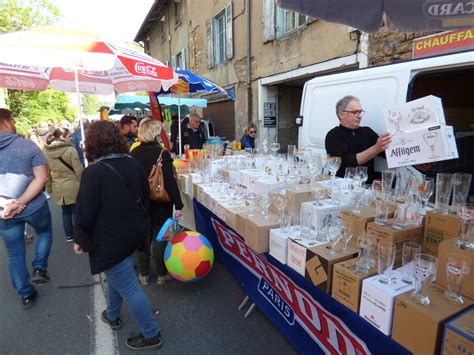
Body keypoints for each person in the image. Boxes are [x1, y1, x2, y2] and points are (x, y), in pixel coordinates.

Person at [73, 120, 163, 351]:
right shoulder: (132, 164)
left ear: (92, 143)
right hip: (134, 233)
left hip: (110, 239)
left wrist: (80, 239)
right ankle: (112, 314)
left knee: (129, 285)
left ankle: (151, 334)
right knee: (119, 273)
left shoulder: (93, 172)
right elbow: (144, 196)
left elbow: (85, 212)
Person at [0, 108, 53, 309]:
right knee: (45, 231)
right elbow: (42, 177)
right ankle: (39, 267)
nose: (14, 123)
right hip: (33, 206)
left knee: (14, 252)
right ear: (6, 122)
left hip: (4, 212)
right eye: (12, 120)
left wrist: (6, 203)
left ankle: (26, 294)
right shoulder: (28, 146)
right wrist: (20, 201)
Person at [130, 118, 183, 286]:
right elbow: (169, 182)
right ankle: (161, 274)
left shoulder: (133, 153)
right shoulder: (162, 153)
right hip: (160, 202)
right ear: (154, 134)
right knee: (160, 236)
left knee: (144, 237)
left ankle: (144, 274)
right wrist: (179, 204)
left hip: (139, 202)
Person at [325, 95, 391, 183]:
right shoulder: (333, 135)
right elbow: (347, 162)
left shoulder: (367, 132)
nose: (359, 116)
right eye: (355, 112)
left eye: (360, 112)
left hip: (367, 188)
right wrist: (375, 149)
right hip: (344, 188)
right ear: (341, 114)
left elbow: (385, 152)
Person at [44, 127, 84, 242]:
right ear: (62, 137)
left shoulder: (46, 151)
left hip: (58, 185)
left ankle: (69, 235)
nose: (71, 138)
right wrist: (84, 184)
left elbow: (46, 172)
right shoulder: (71, 150)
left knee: (65, 212)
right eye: (69, 136)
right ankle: (79, 235)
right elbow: (78, 170)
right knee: (76, 211)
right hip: (73, 185)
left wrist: (49, 187)